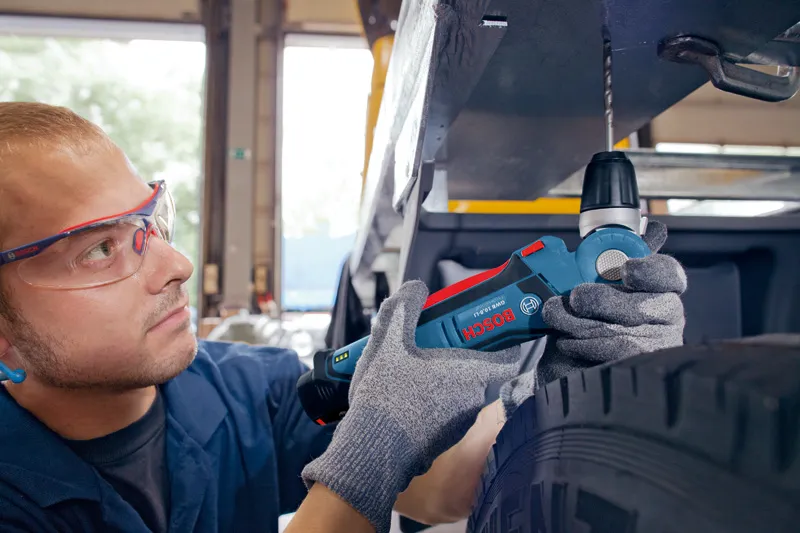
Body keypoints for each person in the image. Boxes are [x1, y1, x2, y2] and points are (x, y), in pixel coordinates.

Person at [0, 102, 687, 533]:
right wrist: (374, 448)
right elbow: (376, 463)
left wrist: (565, 399)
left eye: (152, 223)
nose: (176, 265)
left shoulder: (242, 393)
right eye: (99, 249)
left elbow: (440, 488)